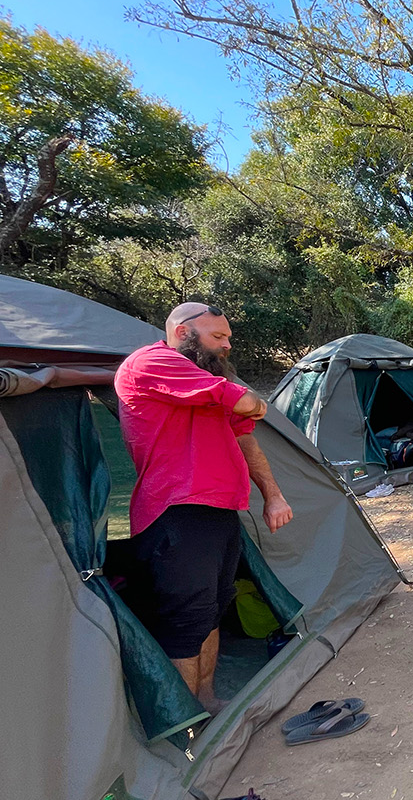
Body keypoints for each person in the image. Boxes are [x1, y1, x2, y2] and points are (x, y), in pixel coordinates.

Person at [114, 302, 293, 713]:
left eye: (227, 337)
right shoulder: (153, 362)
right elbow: (249, 405)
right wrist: (252, 401)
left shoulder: (202, 379)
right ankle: (184, 724)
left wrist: (273, 494)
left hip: (216, 510)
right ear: (181, 332)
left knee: (213, 609)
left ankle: (206, 700)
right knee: (184, 619)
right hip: (176, 510)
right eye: (218, 337)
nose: (227, 346)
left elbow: (245, 435)